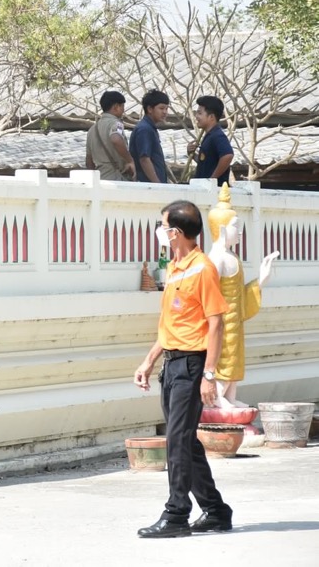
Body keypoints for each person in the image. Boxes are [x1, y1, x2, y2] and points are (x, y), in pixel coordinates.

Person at [133, 200, 232, 538]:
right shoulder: (175, 267)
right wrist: (149, 360)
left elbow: (216, 323)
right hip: (172, 363)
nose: (160, 231)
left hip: (192, 365)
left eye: (163, 226)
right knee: (184, 441)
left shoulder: (203, 269)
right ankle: (216, 511)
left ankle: (176, 514)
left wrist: (209, 374)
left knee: (177, 440)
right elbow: (172, 324)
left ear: (175, 232)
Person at [206, 185, 277, 407]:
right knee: (224, 357)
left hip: (234, 320)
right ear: (223, 229)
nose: (240, 232)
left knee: (235, 357)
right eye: (236, 227)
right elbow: (209, 292)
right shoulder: (216, 257)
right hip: (221, 322)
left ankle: (229, 396)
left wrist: (261, 279)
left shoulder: (232, 256)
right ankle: (217, 397)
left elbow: (238, 293)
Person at [85, 90, 135, 181]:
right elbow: (116, 139)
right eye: (122, 107)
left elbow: (89, 160)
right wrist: (130, 160)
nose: (123, 111)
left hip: (100, 179)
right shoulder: (116, 124)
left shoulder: (92, 129)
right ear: (116, 107)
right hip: (116, 178)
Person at [188, 96, 234, 185]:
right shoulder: (209, 136)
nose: (196, 116)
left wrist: (212, 179)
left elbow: (228, 155)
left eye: (200, 113)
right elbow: (207, 163)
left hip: (214, 190)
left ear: (211, 117)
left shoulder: (217, 135)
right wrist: (192, 155)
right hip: (204, 188)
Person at [129, 89, 170, 184]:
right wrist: (157, 184)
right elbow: (144, 159)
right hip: (148, 185)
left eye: (166, 109)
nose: (165, 112)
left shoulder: (150, 128)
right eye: (161, 108)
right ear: (150, 109)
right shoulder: (144, 129)